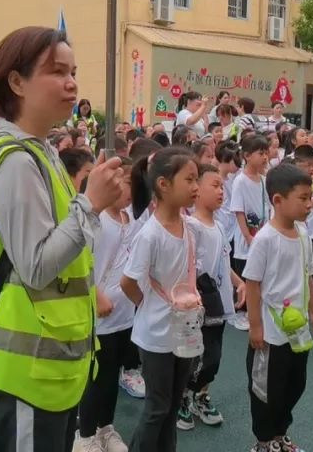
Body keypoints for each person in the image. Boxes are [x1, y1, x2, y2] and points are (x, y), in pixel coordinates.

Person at [0, 27, 123, 452]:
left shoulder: (39, 152)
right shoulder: (16, 161)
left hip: (49, 368)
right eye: (56, 71)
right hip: (27, 373)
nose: (71, 83)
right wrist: (92, 204)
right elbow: (37, 265)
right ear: (16, 82)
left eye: (73, 71)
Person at [121, 146, 200, 452]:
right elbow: (128, 282)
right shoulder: (150, 235)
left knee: (171, 404)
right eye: (189, 180)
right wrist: (147, 305)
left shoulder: (187, 227)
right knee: (157, 407)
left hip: (182, 331)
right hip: (155, 336)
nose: (196, 187)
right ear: (164, 184)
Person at [243, 163, 313, 452]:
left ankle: (280, 433)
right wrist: (256, 327)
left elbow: (308, 274)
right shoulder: (265, 239)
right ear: (278, 200)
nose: (309, 204)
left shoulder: (302, 233)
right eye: (302, 198)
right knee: (266, 390)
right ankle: (264, 441)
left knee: (295, 384)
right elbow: (252, 284)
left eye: (309, 197)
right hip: (271, 334)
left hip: (297, 329)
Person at [178, 163, 245, 432]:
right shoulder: (191, 226)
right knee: (193, 354)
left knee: (213, 355)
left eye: (222, 186)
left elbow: (223, 260)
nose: (221, 191)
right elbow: (187, 264)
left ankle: (201, 395)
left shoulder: (218, 225)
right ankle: (183, 396)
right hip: (197, 306)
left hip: (218, 303)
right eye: (214, 185)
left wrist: (239, 282)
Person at [75, 160, 133, 452]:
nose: (130, 191)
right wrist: (97, 295)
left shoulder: (128, 219)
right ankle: (85, 435)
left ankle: (105, 427)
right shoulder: (96, 220)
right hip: (99, 314)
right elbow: (82, 261)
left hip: (123, 315)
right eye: (126, 183)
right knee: (95, 377)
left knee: (111, 376)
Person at [230, 136, 272, 331]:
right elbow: (239, 210)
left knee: (259, 273)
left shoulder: (264, 180)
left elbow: (268, 206)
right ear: (247, 156)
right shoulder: (240, 180)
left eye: (266, 152)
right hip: (246, 237)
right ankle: (240, 310)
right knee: (245, 272)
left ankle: (254, 309)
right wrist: (247, 236)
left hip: (262, 235)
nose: (265, 157)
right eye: (260, 153)